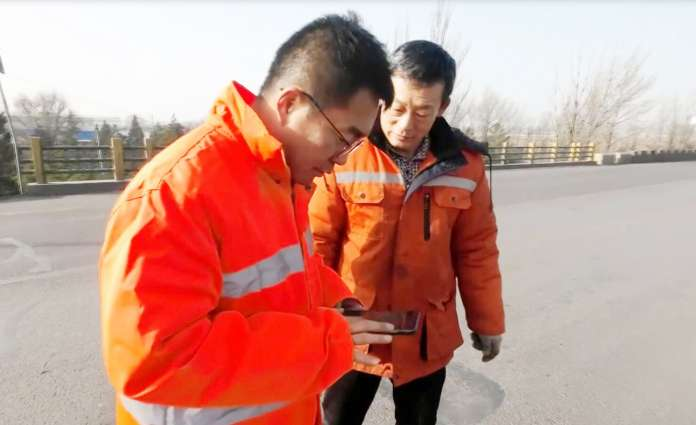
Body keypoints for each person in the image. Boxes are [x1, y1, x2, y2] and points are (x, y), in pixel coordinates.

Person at [99, 13, 396, 425]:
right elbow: (158, 361)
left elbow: (291, 274)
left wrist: (339, 302)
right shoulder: (175, 194)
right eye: (342, 138)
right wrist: (327, 342)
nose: (341, 160)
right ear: (291, 104)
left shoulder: (282, 178)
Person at [309, 40, 505, 425]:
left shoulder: (465, 166)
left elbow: (477, 251)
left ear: (443, 107)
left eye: (422, 112)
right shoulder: (346, 154)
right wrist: (314, 319)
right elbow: (317, 243)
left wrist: (488, 322)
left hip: (425, 335)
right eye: (397, 108)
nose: (405, 125)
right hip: (356, 329)